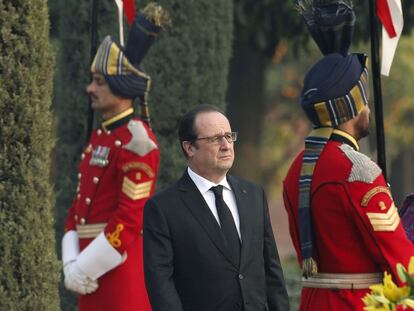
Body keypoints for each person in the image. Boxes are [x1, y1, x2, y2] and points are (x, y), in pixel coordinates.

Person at [283, 52, 414, 310]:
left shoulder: (296, 168)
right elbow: (401, 263)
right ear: (352, 107)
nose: (368, 109)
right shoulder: (358, 170)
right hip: (358, 303)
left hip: (312, 302)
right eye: (365, 101)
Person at [61, 3, 168, 310]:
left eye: (100, 82)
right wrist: (70, 261)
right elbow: (78, 208)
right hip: (87, 269)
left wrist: (84, 267)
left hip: (116, 272)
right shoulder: (101, 137)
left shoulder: (137, 143)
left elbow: (130, 218)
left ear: (122, 88)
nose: (89, 88)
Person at [143, 105, 290, 311]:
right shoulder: (163, 208)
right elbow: (161, 287)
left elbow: (271, 270)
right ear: (189, 148)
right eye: (214, 138)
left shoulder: (254, 195)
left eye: (229, 136)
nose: (226, 145)